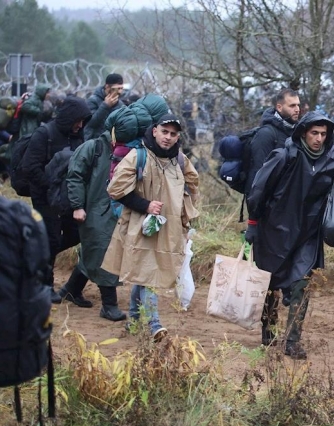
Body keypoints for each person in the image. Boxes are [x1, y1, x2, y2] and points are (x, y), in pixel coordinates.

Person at [245, 111, 334, 359]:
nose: (319, 139)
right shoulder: (283, 156)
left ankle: (292, 340)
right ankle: (268, 329)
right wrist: (253, 223)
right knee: (272, 283)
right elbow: (258, 190)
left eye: (323, 134)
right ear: (303, 132)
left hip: (308, 234)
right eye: (314, 133)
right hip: (275, 230)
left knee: (302, 283)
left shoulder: (331, 162)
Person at [103, 114, 200, 342]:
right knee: (149, 271)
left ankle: (134, 320)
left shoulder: (181, 161)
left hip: (170, 228)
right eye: (164, 132)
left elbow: (192, 190)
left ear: (178, 137)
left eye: (173, 134)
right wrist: (145, 205)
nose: (168, 137)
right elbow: (115, 190)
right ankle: (154, 323)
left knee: (144, 272)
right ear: (155, 131)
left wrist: (185, 222)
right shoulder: (138, 156)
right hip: (141, 226)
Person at [65, 106, 151, 322]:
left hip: (115, 210)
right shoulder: (93, 148)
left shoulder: (129, 151)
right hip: (94, 210)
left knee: (93, 253)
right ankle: (109, 305)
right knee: (104, 251)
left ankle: (70, 289)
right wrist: (77, 205)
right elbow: (74, 176)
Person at [20, 96, 91, 305]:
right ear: (68, 117)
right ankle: (45, 285)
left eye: (83, 121)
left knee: (75, 233)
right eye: (77, 120)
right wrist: (50, 186)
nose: (80, 125)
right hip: (44, 197)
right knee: (50, 238)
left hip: (68, 197)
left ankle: (34, 255)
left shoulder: (78, 135)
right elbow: (29, 167)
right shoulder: (45, 134)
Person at [247, 89, 300, 203]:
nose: (297, 109)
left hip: (290, 200)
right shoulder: (266, 134)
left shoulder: (297, 131)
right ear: (279, 107)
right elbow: (258, 174)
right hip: (269, 203)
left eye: (298, 105)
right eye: (292, 106)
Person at [84, 73, 125, 140]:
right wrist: (105, 106)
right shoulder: (93, 100)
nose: (120, 92)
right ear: (107, 87)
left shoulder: (120, 104)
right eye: (116, 89)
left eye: (121, 88)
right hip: (94, 141)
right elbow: (90, 123)